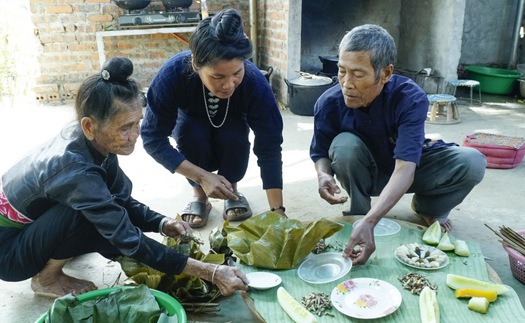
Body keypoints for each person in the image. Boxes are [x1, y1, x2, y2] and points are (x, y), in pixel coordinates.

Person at [0, 56, 248, 298]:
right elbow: (126, 237)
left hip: (32, 229)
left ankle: (59, 252)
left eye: (137, 123)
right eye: (125, 127)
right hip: (8, 253)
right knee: (89, 216)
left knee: (102, 211)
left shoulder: (96, 141)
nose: (134, 135)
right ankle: (47, 277)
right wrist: (211, 271)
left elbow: (120, 200)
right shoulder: (75, 169)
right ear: (89, 126)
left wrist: (160, 223)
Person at [309, 24, 487, 265]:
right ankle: (360, 214)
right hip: (366, 173)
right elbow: (321, 152)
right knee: (344, 145)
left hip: (406, 172)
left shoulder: (409, 98)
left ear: (385, 73)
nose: (346, 83)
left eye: (358, 74)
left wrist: (373, 223)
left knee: (472, 161)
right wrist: (322, 174)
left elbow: (405, 166)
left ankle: (429, 208)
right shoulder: (328, 103)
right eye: (342, 71)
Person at [140, 8, 286, 229]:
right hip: (189, 123)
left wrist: (278, 211)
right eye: (218, 76)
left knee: (233, 136)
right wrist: (202, 177)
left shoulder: (255, 83)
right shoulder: (172, 76)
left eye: (237, 73)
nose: (228, 85)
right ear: (196, 64)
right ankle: (200, 196)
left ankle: (231, 191)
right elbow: (152, 138)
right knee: (191, 134)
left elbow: (270, 144)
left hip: (234, 122)